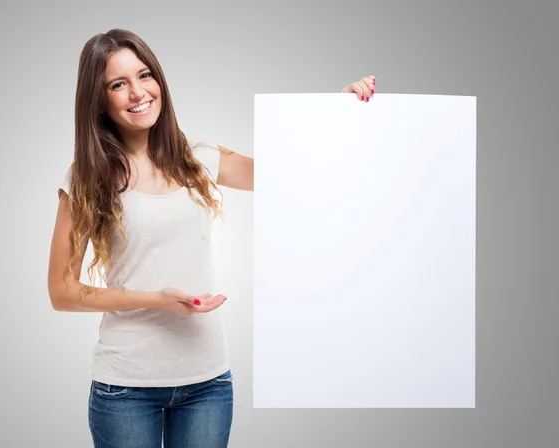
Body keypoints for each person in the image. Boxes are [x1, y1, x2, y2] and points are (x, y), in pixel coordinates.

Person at [47, 28, 376, 448]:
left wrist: (340, 110)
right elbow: (62, 291)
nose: (137, 92)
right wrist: (156, 299)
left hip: (208, 384)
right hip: (126, 387)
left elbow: (288, 171)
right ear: (99, 100)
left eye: (145, 75)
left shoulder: (198, 158)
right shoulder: (87, 179)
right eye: (118, 84)